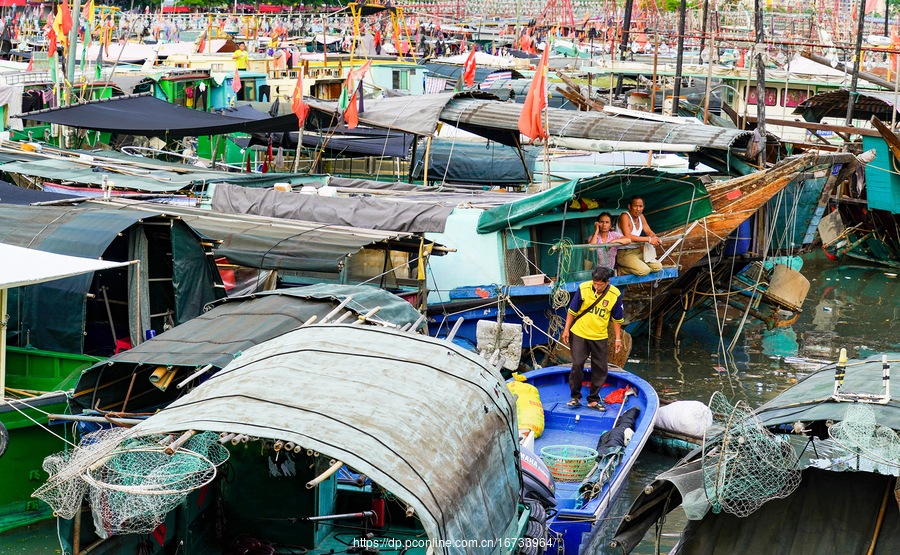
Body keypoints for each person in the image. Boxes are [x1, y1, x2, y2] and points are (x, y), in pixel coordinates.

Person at [561, 266, 623, 411]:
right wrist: (566, 330)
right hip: (579, 333)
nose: (596, 286)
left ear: (607, 282)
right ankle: (575, 397)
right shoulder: (583, 288)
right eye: (594, 283)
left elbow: (617, 319)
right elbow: (572, 311)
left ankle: (593, 400)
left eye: (599, 284)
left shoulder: (615, 294)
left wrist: (618, 339)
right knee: (577, 364)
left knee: (600, 368)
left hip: (599, 336)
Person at [616, 195, 663, 276]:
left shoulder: (641, 216)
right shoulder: (625, 216)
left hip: (637, 252)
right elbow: (628, 237)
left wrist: (655, 238)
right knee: (644, 270)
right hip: (624, 254)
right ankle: (622, 269)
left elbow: (649, 231)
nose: (638, 209)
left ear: (643, 207)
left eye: (640, 206)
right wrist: (649, 239)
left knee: (658, 267)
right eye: (635, 206)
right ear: (629, 206)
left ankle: (630, 268)